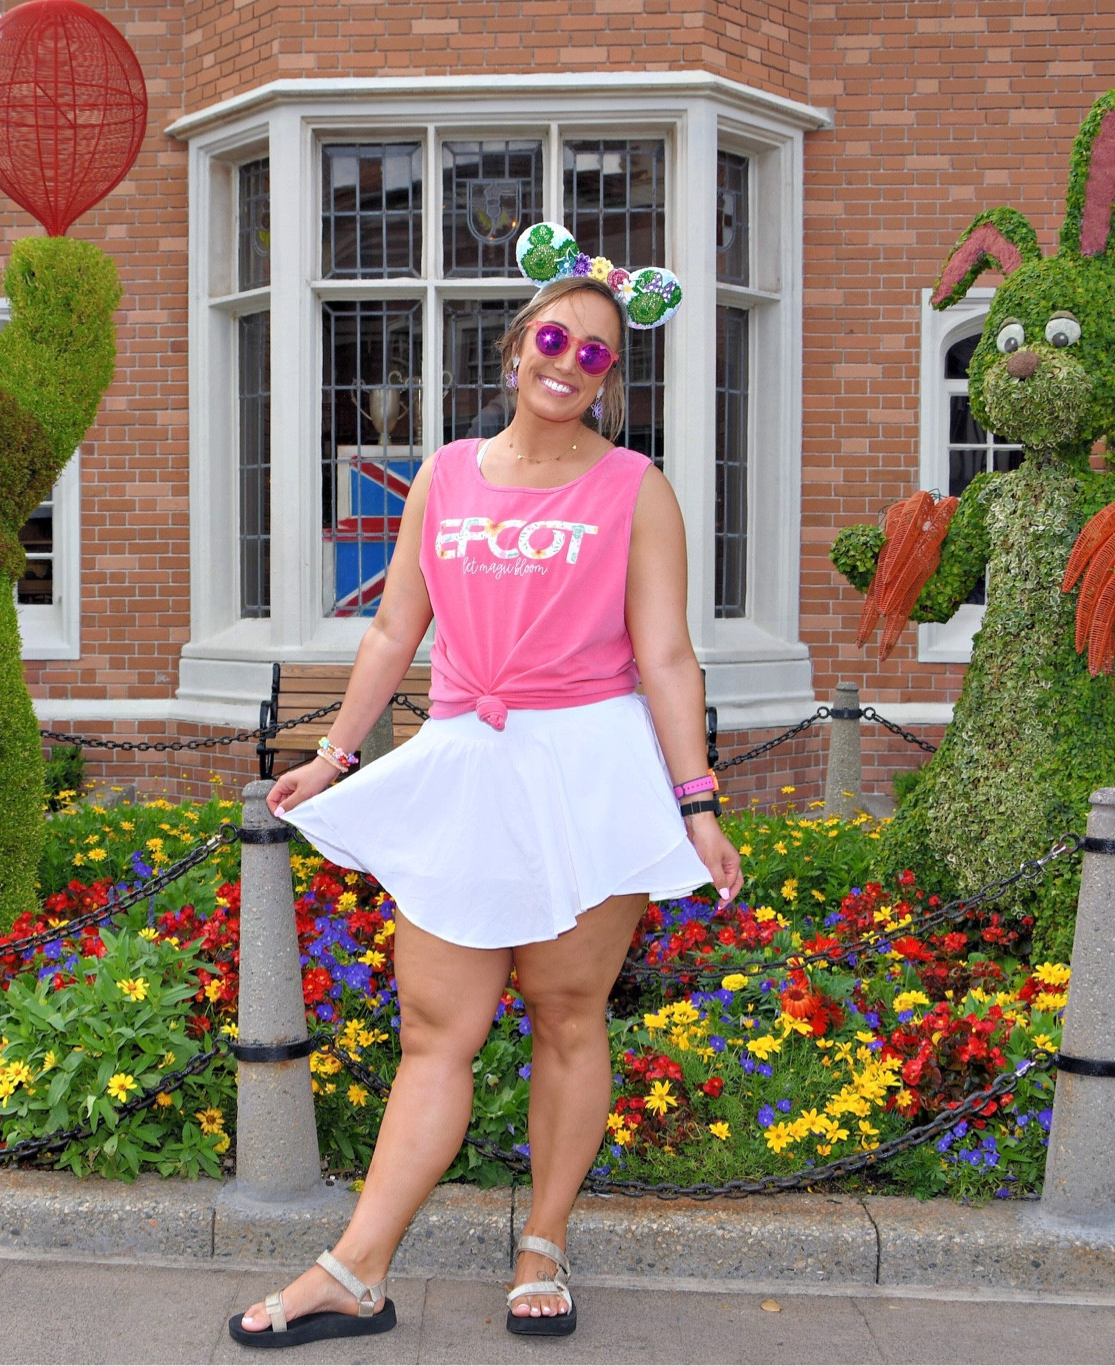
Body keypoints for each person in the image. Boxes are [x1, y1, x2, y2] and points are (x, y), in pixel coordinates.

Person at [227, 225, 744, 1348]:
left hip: (589, 775)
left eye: (597, 353)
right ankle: (354, 1271)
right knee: (435, 1027)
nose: (568, 361)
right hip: (467, 766)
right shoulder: (445, 477)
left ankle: (542, 1243)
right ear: (514, 348)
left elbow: (665, 656)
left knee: (567, 1015)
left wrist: (695, 801)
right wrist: (331, 756)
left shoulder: (633, 487)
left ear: (612, 377)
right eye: (552, 338)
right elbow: (390, 635)